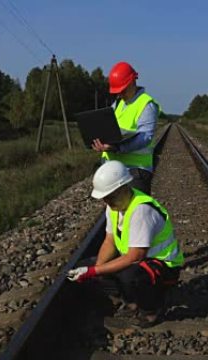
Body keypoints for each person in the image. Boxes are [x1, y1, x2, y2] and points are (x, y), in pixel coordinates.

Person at [67, 160, 183, 326]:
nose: (107, 201)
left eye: (110, 196)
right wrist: (96, 270)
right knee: (92, 266)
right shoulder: (113, 207)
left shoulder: (141, 210)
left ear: (124, 187)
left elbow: (135, 256)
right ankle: (132, 303)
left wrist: (94, 271)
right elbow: (110, 240)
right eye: (105, 198)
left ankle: (151, 311)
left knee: (130, 275)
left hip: (165, 266)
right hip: (140, 262)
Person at [91, 61, 159, 194]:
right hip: (114, 170)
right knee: (116, 213)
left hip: (135, 171)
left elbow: (145, 137)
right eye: (117, 92)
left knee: (136, 212)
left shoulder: (146, 104)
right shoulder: (118, 104)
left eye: (123, 90)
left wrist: (118, 148)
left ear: (133, 82)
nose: (120, 94)